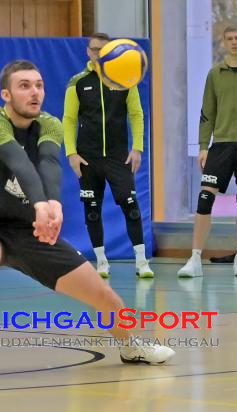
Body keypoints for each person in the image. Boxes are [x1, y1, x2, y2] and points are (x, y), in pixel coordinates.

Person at [0, 60, 175, 382]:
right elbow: (20, 163)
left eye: (39, 85)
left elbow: (46, 162)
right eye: (24, 85)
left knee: (104, 295)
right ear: (6, 93)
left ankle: (131, 346)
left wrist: (53, 203)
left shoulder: (50, 123)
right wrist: (42, 204)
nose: (35, 92)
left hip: (32, 230)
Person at [177, 26, 237, 278]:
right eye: (228, 38)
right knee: (205, 198)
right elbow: (206, 113)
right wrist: (202, 147)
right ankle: (195, 257)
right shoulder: (214, 74)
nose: (233, 42)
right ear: (223, 42)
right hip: (220, 145)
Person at [62, 32, 153, 279]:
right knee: (92, 210)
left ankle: (142, 262)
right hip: (87, 158)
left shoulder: (125, 79)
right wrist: (71, 153)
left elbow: (136, 114)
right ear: (87, 52)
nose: (97, 53)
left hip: (118, 158)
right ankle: (102, 262)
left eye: (102, 49)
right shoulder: (77, 82)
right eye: (94, 49)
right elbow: (69, 120)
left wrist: (137, 148)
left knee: (131, 207)